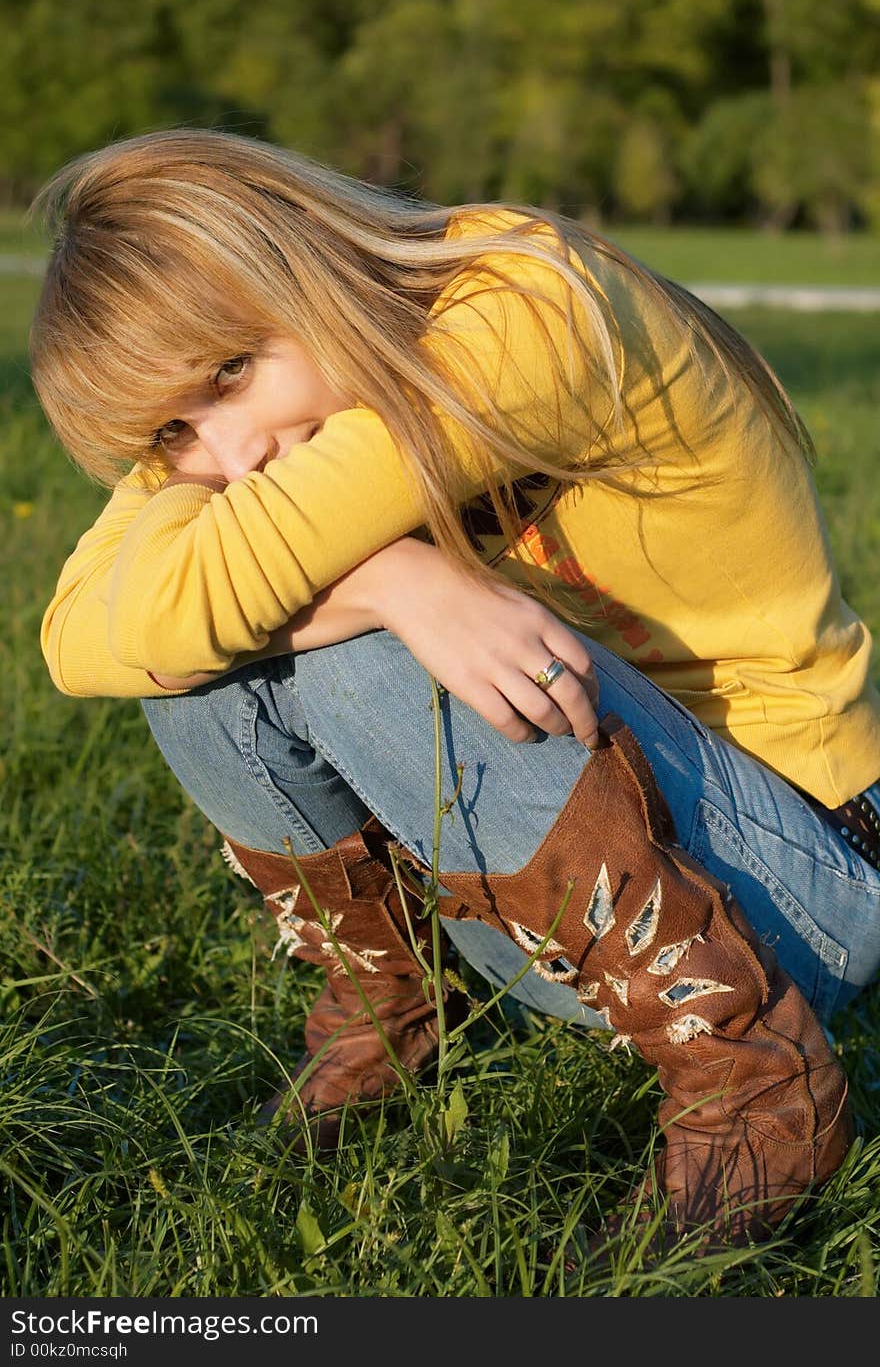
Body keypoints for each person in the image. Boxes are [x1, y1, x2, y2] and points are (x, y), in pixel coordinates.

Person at [31, 128, 880, 1250]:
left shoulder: (526, 309)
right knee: (220, 643)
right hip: (566, 930)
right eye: (174, 430)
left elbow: (173, 598)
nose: (234, 456)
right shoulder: (273, 421)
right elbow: (76, 634)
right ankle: (390, 1005)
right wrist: (397, 576)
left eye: (232, 372)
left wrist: (369, 588)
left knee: (293, 629)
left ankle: (757, 1087)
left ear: (304, 265)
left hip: (801, 888)